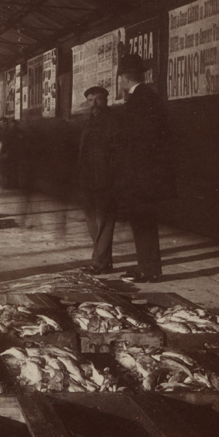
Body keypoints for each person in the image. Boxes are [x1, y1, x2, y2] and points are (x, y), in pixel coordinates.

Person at [114, 53, 176, 283]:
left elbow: (143, 139)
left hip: (141, 174)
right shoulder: (147, 97)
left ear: (123, 78)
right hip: (146, 173)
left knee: (142, 221)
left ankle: (147, 269)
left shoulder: (140, 100)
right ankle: (148, 268)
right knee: (143, 221)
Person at [77, 86, 120, 274]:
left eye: (98, 100)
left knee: (104, 221)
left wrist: (112, 175)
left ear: (106, 100)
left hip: (105, 178)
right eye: (90, 100)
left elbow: (117, 152)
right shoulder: (89, 121)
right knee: (91, 220)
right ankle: (104, 260)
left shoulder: (112, 121)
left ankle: (99, 262)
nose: (94, 104)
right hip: (87, 177)